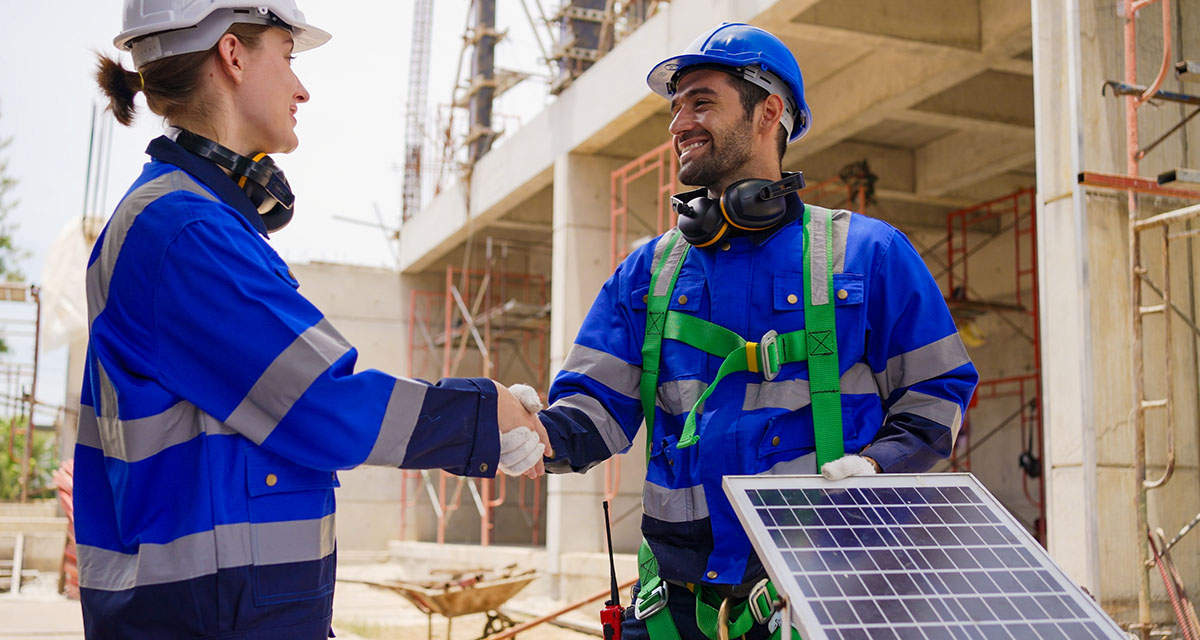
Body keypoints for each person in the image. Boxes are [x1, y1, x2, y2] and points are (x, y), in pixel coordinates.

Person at [76, 2, 549, 638]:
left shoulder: (196, 221)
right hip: (207, 621)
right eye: (289, 57)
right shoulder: (183, 231)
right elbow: (318, 403)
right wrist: (482, 415)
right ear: (233, 55)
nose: (301, 87)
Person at [529, 22, 979, 640]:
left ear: (770, 111)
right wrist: (531, 433)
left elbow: (936, 393)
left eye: (702, 101)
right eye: (675, 106)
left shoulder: (869, 254)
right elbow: (591, 412)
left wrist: (878, 467)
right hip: (675, 608)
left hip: (824, 595)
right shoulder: (649, 270)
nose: (678, 122)